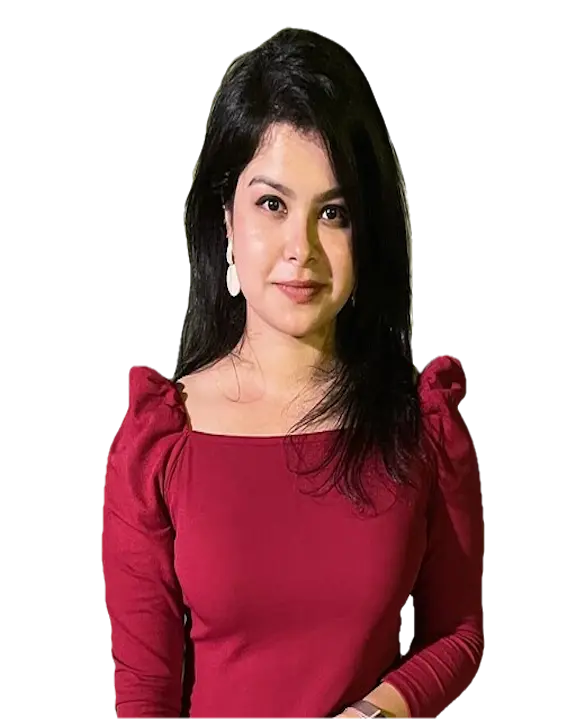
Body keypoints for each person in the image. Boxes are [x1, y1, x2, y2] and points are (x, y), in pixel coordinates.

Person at [101, 25, 485, 720]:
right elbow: (144, 692)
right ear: (228, 219)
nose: (300, 249)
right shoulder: (159, 440)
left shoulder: (420, 426)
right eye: (272, 204)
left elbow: (458, 634)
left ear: (365, 235)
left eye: (332, 213)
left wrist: (372, 716)